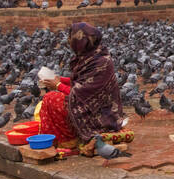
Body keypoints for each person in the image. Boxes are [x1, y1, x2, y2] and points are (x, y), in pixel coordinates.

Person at [36, 22, 131, 153]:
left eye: (72, 39)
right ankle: (61, 138)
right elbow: (81, 82)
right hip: (90, 104)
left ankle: (69, 140)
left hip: (99, 114)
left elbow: (81, 94)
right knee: (49, 99)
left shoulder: (100, 63)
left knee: (52, 99)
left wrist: (57, 85)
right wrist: (59, 79)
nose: (70, 43)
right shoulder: (91, 56)